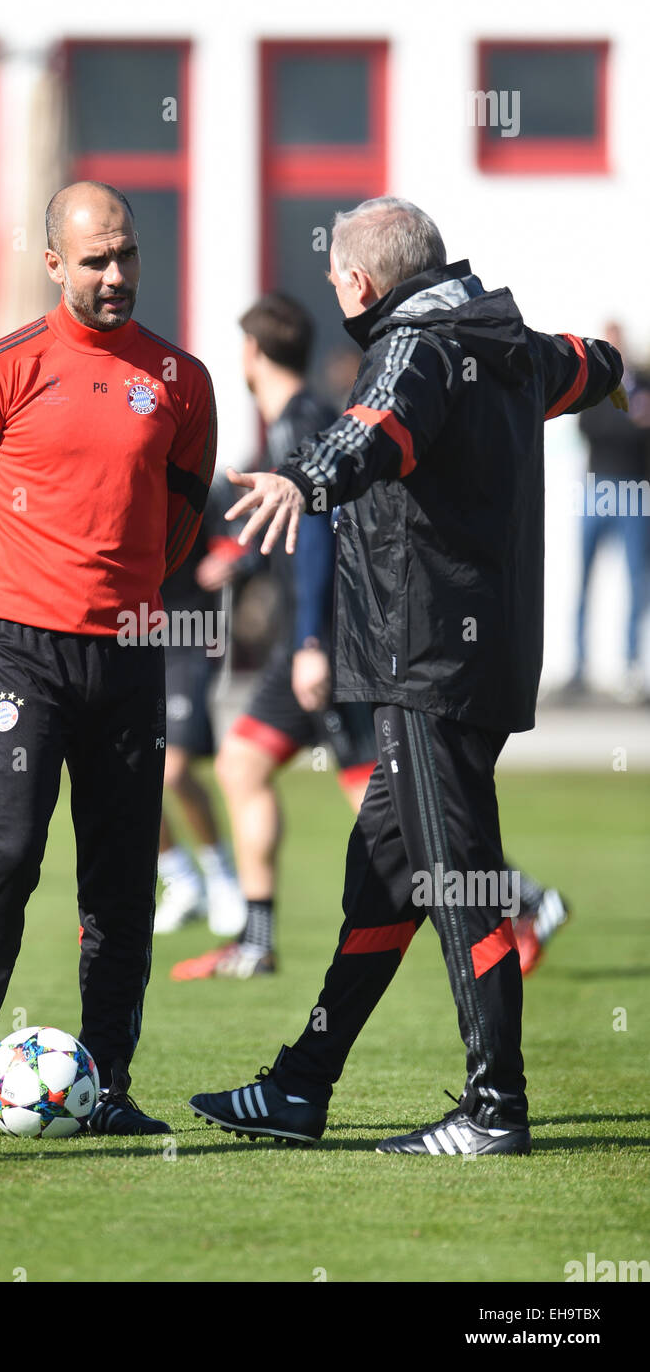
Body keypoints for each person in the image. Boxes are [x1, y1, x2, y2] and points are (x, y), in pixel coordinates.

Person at [189, 196, 624, 1155]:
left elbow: (378, 430)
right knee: (380, 882)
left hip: (425, 661)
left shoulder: (413, 346)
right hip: (478, 652)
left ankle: (492, 1108)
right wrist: (610, 368)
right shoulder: (498, 340)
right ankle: (301, 1087)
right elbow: (587, 363)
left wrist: (304, 479)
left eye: (338, 276)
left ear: (358, 282)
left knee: (456, 880)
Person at [0, 181, 216, 1138]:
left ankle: (111, 1085)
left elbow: (180, 517)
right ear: (54, 264)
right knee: (4, 854)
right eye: (95, 260)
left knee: (123, 879)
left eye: (126, 254)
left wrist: (119, 593)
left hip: (130, 653)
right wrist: (27, 585)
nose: (116, 274)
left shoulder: (180, 379)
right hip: (21, 650)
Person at [170, 294, 378, 981]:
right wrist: (244, 556)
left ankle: (516, 900)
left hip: (321, 643)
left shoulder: (298, 425)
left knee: (386, 805)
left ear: (252, 354)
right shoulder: (301, 420)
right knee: (246, 766)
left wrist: (313, 642)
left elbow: (317, 536)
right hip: (317, 639)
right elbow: (291, 529)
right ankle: (255, 941)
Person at [153, 483, 247, 938]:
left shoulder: (199, 490)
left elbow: (242, 541)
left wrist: (232, 559)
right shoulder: (115, 479)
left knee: (171, 771)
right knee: (125, 776)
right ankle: (182, 882)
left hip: (188, 636)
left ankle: (221, 875)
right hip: (128, 637)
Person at [568, 322, 650, 701]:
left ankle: (631, 666)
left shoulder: (642, 387)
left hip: (633, 490)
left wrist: (630, 426)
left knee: (637, 578)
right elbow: (589, 427)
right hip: (598, 488)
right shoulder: (597, 389)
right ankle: (578, 668)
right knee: (584, 577)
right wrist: (629, 423)